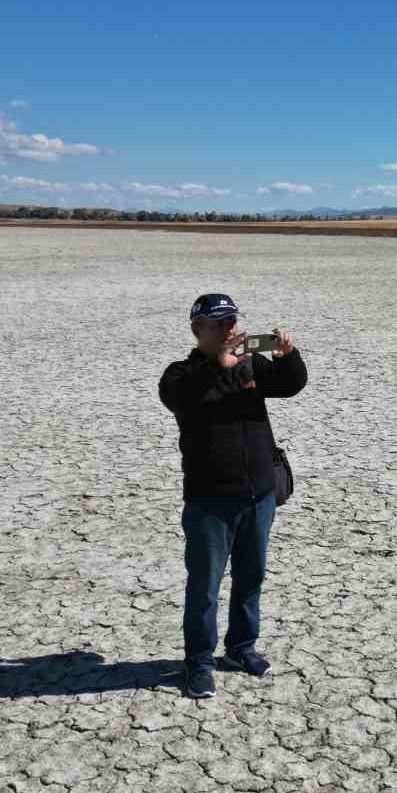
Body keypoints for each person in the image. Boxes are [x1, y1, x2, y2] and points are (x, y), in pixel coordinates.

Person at [158, 292, 307, 700]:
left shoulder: (252, 363)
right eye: (218, 323)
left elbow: (292, 385)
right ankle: (199, 663)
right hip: (210, 502)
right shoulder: (181, 375)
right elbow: (184, 399)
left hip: (258, 496)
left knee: (250, 578)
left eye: (232, 321)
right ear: (197, 329)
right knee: (204, 588)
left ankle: (241, 649)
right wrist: (218, 368)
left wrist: (287, 356)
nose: (229, 329)